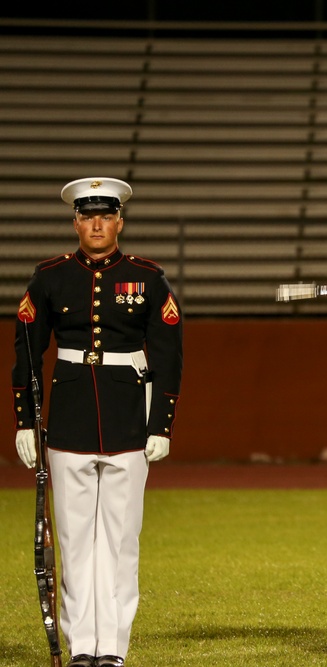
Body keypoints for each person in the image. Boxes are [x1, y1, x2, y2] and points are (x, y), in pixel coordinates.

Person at [12, 178, 183, 667]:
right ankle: (82, 646)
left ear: (120, 222)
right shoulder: (49, 278)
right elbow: (25, 350)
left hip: (129, 419)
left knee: (120, 542)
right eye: (88, 216)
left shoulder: (149, 278)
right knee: (74, 542)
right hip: (68, 422)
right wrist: (25, 420)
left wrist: (161, 424)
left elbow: (169, 355)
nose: (97, 224)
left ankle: (113, 648)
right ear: (76, 223)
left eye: (105, 216)